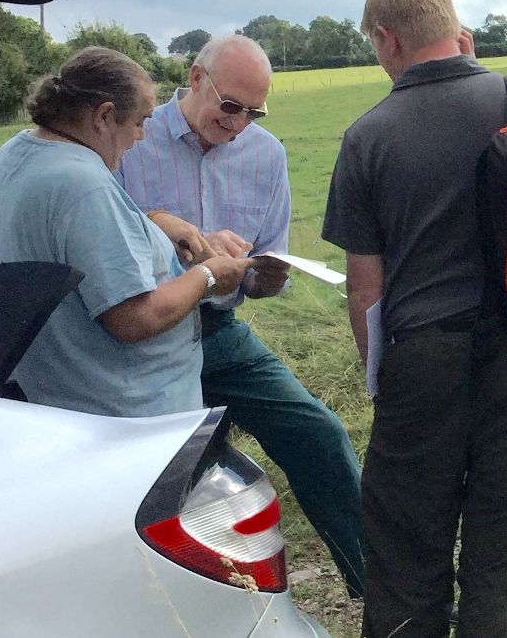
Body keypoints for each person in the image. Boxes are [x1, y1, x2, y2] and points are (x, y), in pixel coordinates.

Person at [323, 0, 507, 638]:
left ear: (386, 38)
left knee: (407, 552)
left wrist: (382, 379)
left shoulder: (366, 136)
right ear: (452, 25)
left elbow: (365, 288)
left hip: (422, 355)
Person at [118, 34, 366, 598]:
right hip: (137, 334)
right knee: (164, 475)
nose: (238, 124)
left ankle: (383, 593)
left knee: (318, 434)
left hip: (216, 332)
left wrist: (265, 276)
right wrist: (175, 231)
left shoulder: (266, 154)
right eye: (230, 106)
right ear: (195, 77)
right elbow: (99, 231)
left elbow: (258, 271)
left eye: (254, 113)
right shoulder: (133, 135)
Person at [0, 47, 253, 416]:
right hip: (125, 406)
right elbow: (134, 318)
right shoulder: (83, 183)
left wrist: (154, 224)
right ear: (105, 116)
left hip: (60, 392)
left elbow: (80, 239)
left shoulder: (18, 152)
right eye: (140, 120)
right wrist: (208, 275)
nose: (141, 135)